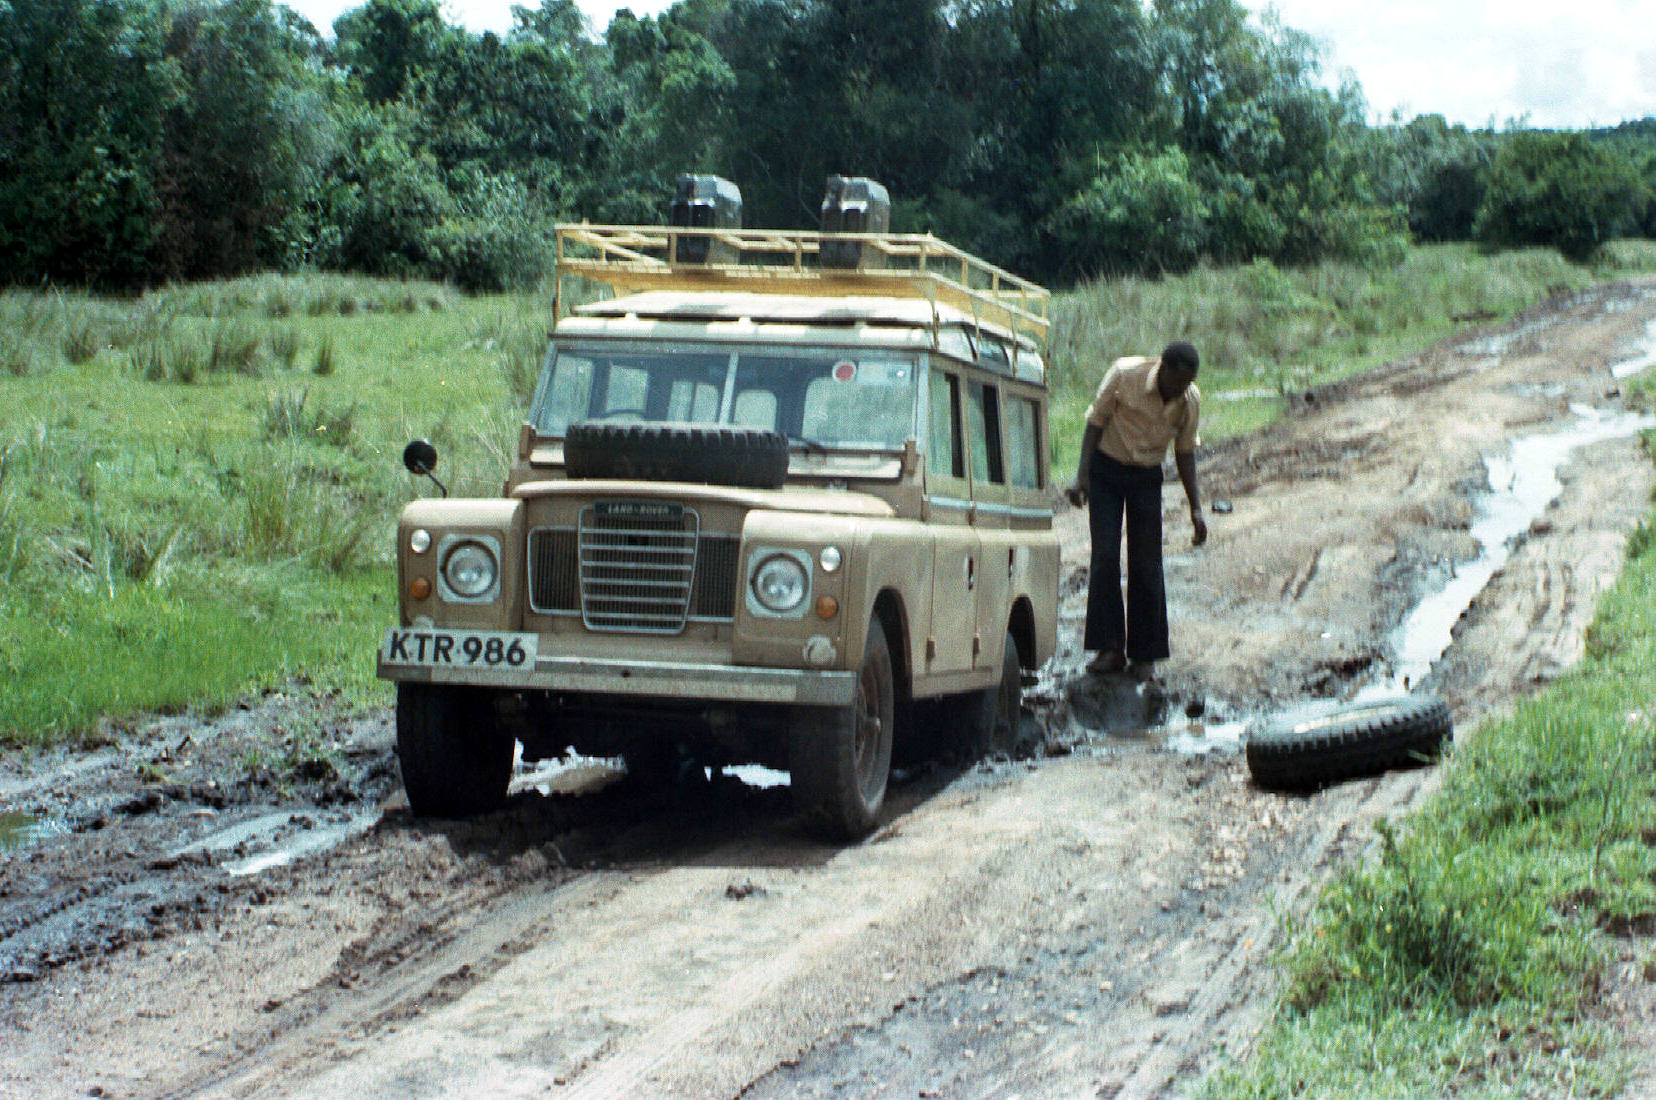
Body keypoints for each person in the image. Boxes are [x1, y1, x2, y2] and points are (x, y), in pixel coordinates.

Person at [1065, 341, 1207, 682]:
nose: (1182, 389)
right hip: (1106, 471)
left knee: (1147, 562)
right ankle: (1109, 649)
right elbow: (1095, 422)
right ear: (1163, 369)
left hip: (1146, 476)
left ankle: (1145, 654)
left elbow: (1185, 452)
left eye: (1188, 383)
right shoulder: (1125, 374)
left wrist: (1196, 509)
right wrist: (1081, 476)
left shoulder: (1189, 400)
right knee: (1105, 556)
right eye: (1178, 381)